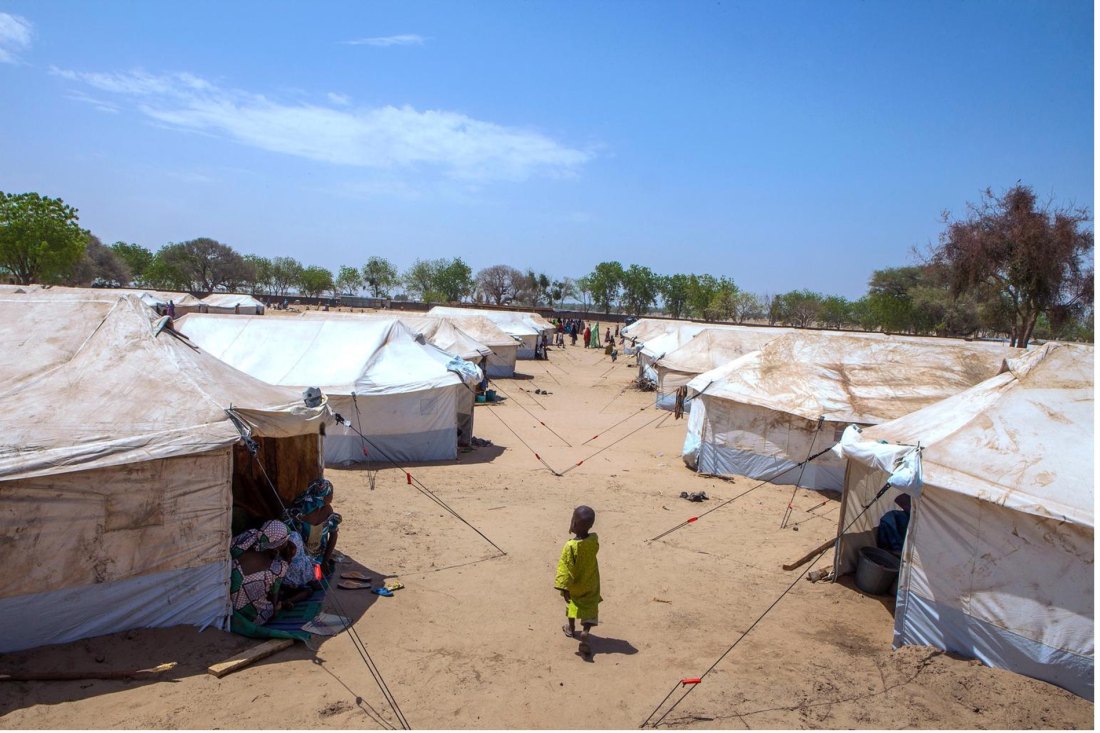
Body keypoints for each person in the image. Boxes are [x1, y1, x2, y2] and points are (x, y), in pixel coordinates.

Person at [229, 520, 299, 637]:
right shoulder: (277, 568)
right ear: (278, 546)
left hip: (227, 604)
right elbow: (274, 596)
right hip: (253, 617)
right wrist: (275, 608)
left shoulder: (245, 542)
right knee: (274, 604)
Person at [554, 505, 602, 657]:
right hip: (591, 581)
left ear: (573, 523)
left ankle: (571, 627)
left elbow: (565, 567)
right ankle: (586, 631)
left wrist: (564, 587)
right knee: (590, 605)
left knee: (572, 603)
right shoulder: (593, 540)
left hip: (575, 584)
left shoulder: (570, 546)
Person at [287, 478, 342, 575]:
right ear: (325, 496)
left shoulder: (327, 510)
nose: (332, 497)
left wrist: (325, 560)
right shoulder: (299, 511)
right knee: (308, 577)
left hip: (318, 558)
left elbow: (333, 535)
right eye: (330, 494)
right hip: (298, 558)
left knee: (318, 575)